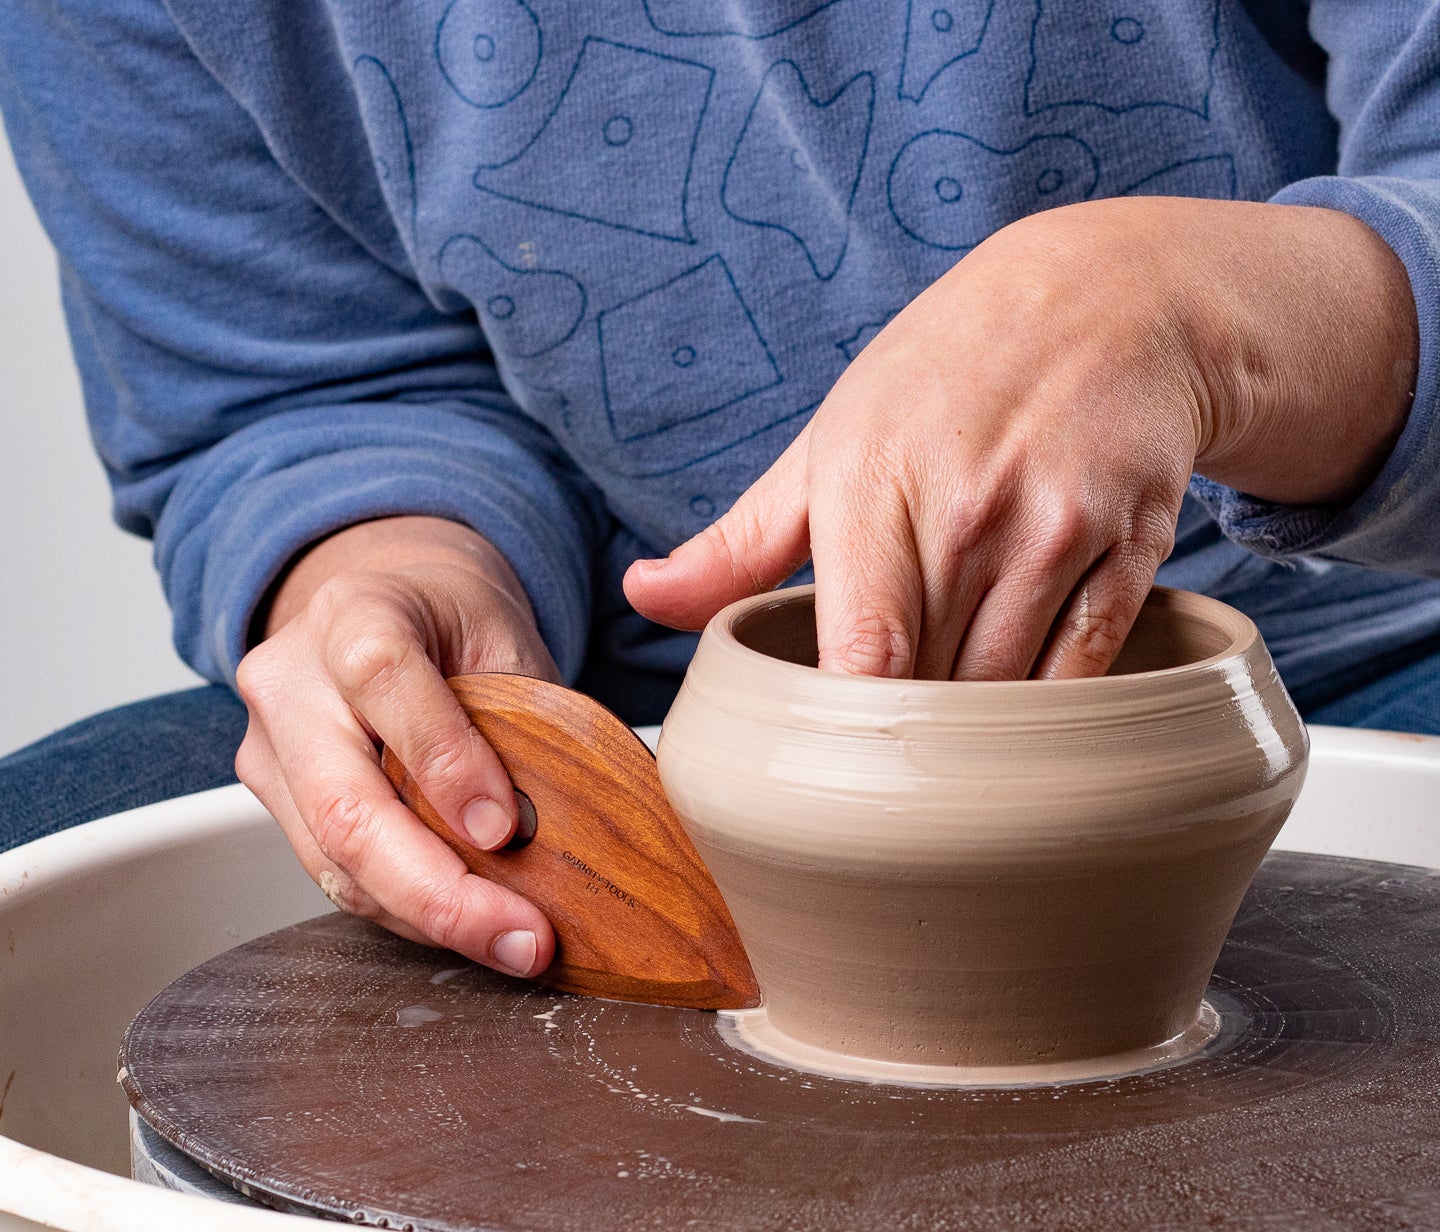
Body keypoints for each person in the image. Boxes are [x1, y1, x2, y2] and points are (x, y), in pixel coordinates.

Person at [1, 1, 1436, 980]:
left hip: (1363, 645)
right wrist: (387, 572)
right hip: (647, 718)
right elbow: (309, 377)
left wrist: (1195, 318)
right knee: (56, 879)